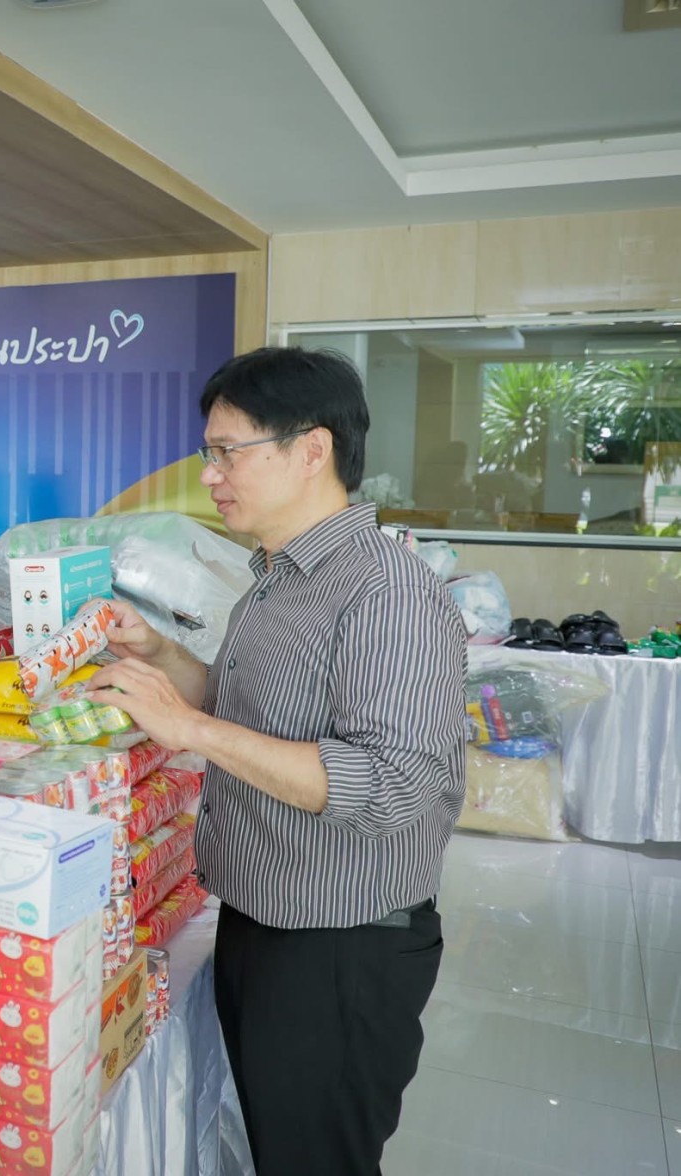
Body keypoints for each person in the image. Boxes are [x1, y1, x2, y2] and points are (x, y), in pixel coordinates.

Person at [85, 347, 466, 1175]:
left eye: (228, 452)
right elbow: (242, 710)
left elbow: (388, 783)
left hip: (339, 947)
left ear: (311, 450)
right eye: (208, 453)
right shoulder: (276, 577)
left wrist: (190, 729)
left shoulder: (386, 594)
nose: (210, 475)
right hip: (264, 918)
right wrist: (159, 656)